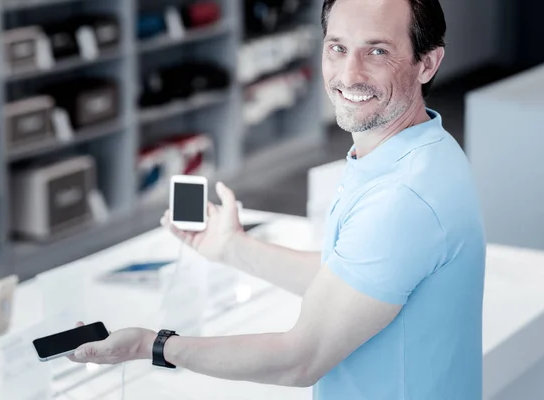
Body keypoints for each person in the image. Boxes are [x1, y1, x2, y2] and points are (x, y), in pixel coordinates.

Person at [70, 0, 486, 398]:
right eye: (337, 48)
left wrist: (152, 345)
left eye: (377, 51)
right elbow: (347, 279)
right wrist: (234, 248)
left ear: (427, 63)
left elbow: (299, 359)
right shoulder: (420, 149)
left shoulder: (402, 197)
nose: (348, 74)